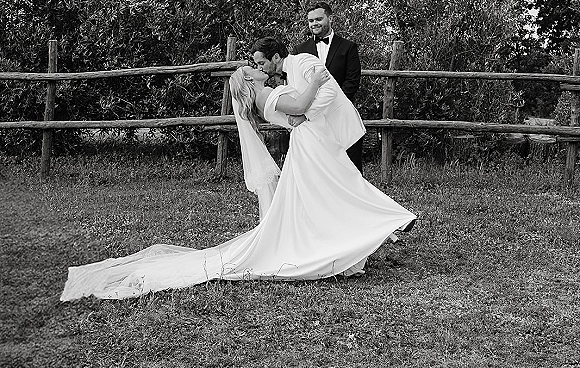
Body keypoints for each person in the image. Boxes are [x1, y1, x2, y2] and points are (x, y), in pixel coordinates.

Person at [60, 66, 416, 301]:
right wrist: (319, 83)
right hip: (309, 146)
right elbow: (302, 105)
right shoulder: (265, 95)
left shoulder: (263, 96)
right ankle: (388, 221)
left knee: (331, 194)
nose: (257, 68)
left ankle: (364, 238)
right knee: (340, 189)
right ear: (250, 82)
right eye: (251, 69)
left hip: (309, 145)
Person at [293, 2, 364, 172]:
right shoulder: (300, 50)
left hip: (341, 113)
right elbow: (296, 84)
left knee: (349, 164)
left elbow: (352, 81)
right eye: (310, 20)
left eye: (318, 19)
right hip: (313, 118)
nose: (314, 23)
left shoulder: (348, 47)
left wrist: (332, 104)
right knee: (318, 166)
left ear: (330, 18)